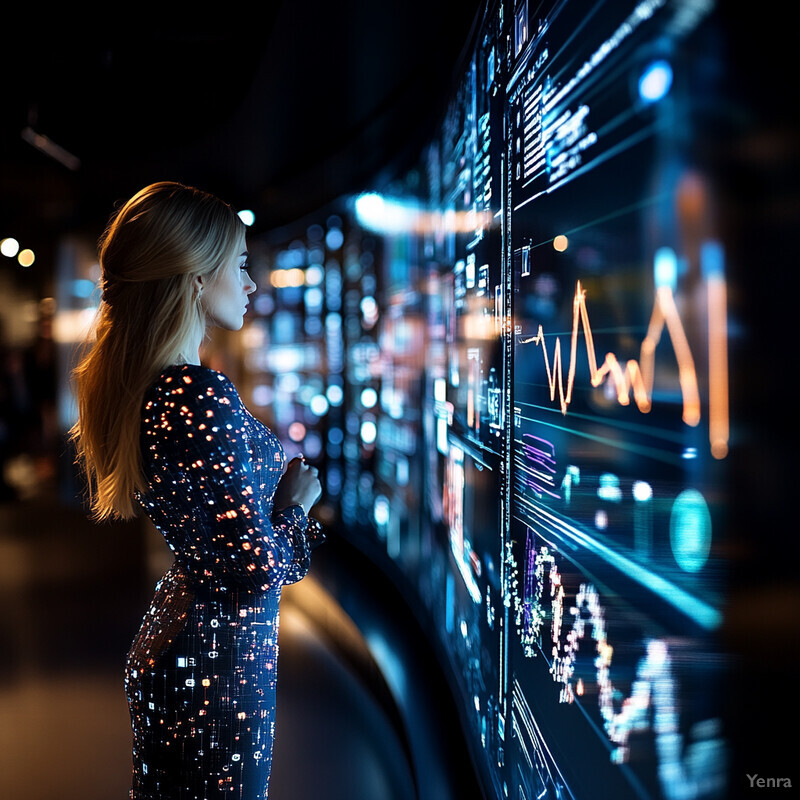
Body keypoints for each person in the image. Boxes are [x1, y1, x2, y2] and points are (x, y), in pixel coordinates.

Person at [69, 181, 324, 799]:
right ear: (196, 277)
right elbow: (254, 568)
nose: (252, 282)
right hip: (218, 666)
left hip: (193, 647)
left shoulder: (158, 388)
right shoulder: (195, 393)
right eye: (239, 265)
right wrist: (293, 509)